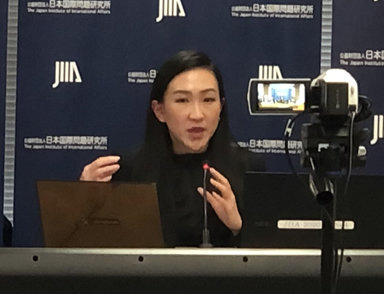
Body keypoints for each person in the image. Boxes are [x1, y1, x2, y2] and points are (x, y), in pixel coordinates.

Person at [79, 50, 262, 247]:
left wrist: (238, 227)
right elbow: (91, 252)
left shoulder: (248, 167)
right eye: (182, 100)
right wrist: (81, 201)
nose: (197, 114)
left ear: (221, 107)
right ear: (160, 111)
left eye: (208, 100)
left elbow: (271, 258)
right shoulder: (127, 172)